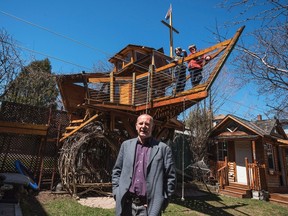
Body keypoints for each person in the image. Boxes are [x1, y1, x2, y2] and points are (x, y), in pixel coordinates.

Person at [112, 114, 177, 216]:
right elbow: (117, 171)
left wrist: (162, 201)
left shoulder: (163, 149)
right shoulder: (126, 145)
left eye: (147, 124)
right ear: (136, 126)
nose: (143, 126)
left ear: (152, 127)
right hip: (126, 204)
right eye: (141, 123)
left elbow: (171, 178)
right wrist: (117, 192)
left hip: (148, 208)